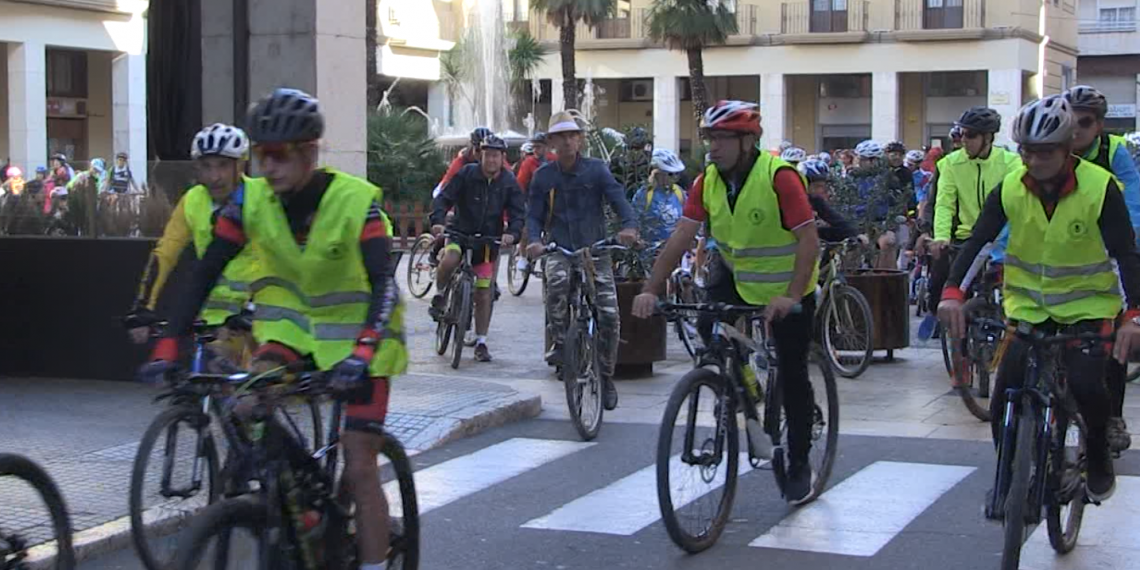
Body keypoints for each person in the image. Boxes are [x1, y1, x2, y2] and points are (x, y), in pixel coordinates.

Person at [139, 88, 405, 570]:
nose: (269, 167)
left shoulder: (355, 204)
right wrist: (168, 343)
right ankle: (296, 509)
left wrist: (363, 352)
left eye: (279, 156)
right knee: (243, 404)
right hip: (291, 334)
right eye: (261, 156)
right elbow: (203, 272)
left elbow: (384, 283)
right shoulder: (250, 202)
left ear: (309, 152)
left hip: (363, 339)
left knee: (360, 464)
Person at [938, 95, 1140, 505]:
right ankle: (1010, 475)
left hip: (1089, 309)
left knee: (1087, 386)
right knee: (1003, 397)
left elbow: (1125, 254)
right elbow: (979, 241)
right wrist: (953, 292)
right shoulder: (1011, 186)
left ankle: (1098, 456)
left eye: (1045, 152)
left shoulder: (1100, 189)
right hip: (1028, 309)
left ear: (1067, 149)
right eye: (1027, 151)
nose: (1034, 161)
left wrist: (1133, 315)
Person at [631, 100, 822, 504]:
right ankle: (742, 386)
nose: (712, 148)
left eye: (722, 139)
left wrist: (790, 296)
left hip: (789, 286)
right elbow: (682, 235)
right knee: (707, 325)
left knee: (791, 373)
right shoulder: (707, 181)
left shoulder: (780, 178)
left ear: (748, 141)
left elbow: (809, 240)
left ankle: (800, 459)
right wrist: (650, 288)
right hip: (736, 277)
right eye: (710, 139)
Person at [525, 110, 639, 411]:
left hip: (595, 251)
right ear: (551, 142)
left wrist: (629, 227)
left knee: (610, 314)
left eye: (571, 135)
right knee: (557, 287)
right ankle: (562, 347)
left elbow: (619, 200)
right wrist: (535, 241)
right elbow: (534, 215)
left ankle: (606, 374)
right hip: (560, 248)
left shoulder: (597, 170)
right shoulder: (543, 176)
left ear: (580, 140)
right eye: (559, 136)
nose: (566, 141)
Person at [124, 124, 260, 370]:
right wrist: (143, 307)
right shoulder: (193, 200)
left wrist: (254, 307)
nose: (214, 176)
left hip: (256, 312)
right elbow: (165, 254)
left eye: (223, 165)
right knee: (198, 386)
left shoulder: (261, 197)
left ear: (240, 165)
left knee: (248, 397)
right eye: (206, 166)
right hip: (210, 314)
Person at [1065, 85, 1140, 453]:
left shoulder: (1114, 151)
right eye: (1070, 120)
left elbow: (1134, 198)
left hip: (1106, 248)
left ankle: (1112, 417)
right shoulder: (1050, 148)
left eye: (1085, 122)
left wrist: (1128, 238)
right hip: (1058, 254)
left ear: (1099, 126)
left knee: (1112, 340)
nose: (1075, 129)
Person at [428, 135, 525, 362]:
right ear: (480, 155)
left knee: (484, 291)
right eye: (487, 154)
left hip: (488, 242)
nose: (491, 160)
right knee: (451, 260)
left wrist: (513, 233)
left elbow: (519, 213)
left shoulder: (509, 182)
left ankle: (481, 341)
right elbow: (444, 198)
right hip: (460, 233)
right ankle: (441, 294)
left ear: (503, 158)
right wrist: (438, 221)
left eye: (495, 155)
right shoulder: (467, 174)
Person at [928, 107, 1019, 315]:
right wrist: (941, 236)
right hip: (967, 239)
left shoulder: (1011, 162)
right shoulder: (949, 163)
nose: (964, 140)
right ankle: (956, 342)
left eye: (971, 135)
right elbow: (944, 204)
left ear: (988, 137)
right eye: (961, 134)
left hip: (1002, 240)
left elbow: (1017, 204)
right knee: (946, 291)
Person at [631, 149, 687, 245]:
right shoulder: (645, 194)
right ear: (658, 173)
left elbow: (688, 217)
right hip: (650, 252)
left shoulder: (679, 192)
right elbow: (634, 220)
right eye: (670, 174)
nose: (675, 177)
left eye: (677, 174)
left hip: (675, 249)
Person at [435, 127, 513, 194]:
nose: (482, 155)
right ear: (472, 149)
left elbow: (513, 187)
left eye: (487, 153)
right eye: (478, 150)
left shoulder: (499, 163)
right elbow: (445, 187)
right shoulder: (461, 162)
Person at [799, 159, 858, 242]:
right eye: (817, 186)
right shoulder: (791, 202)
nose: (821, 190)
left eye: (823, 186)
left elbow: (836, 220)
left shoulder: (816, 200)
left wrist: (855, 234)